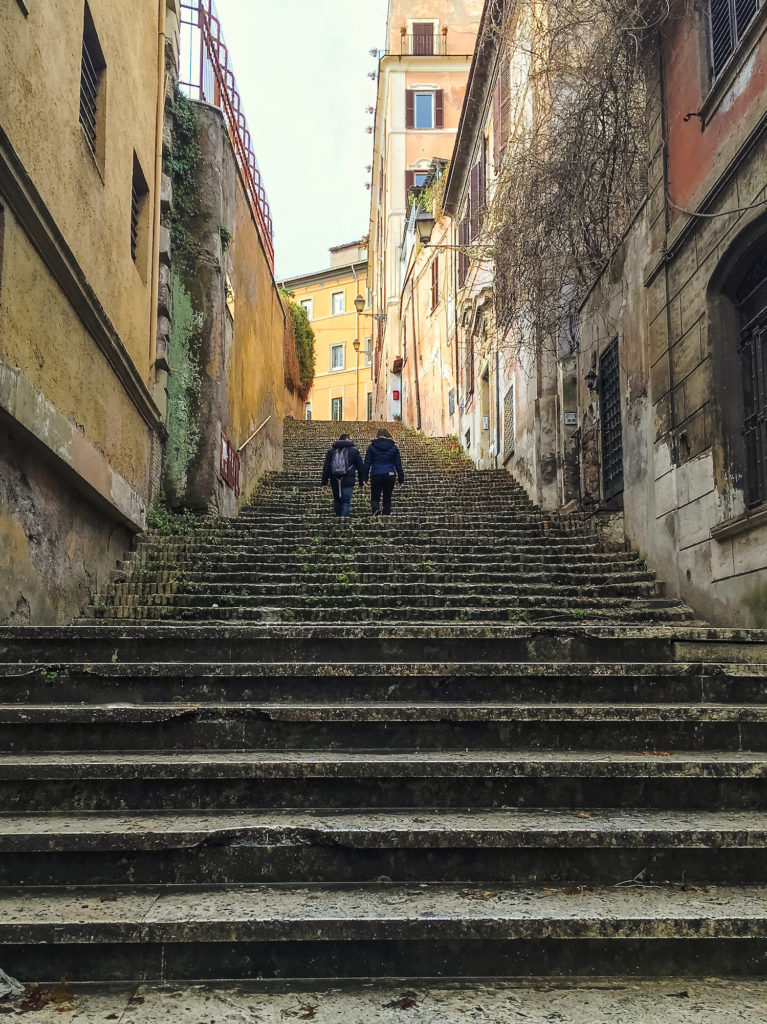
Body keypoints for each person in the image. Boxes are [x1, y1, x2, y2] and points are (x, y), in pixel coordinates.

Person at [363, 428, 404, 516]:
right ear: (388, 435)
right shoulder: (394, 447)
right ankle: (386, 514)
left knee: (375, 496)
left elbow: (367, 463)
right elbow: (398, 465)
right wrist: (401, 480)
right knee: (387, 497)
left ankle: (376, 509)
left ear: (377, 436)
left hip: (376, 474)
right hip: (390, 474)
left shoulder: (371, 446)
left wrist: (364, 478)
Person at [321, 433, 365, 517]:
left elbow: (326, 468)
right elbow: (360, 467)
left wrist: (324, 483)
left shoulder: (331, 451)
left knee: (337, 500)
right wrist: (361, 482)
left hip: (335, 480)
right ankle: (343, 520)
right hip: (348, 480)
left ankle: (338, 518)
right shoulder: (354, 451)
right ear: (348, 439)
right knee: (346, 502)